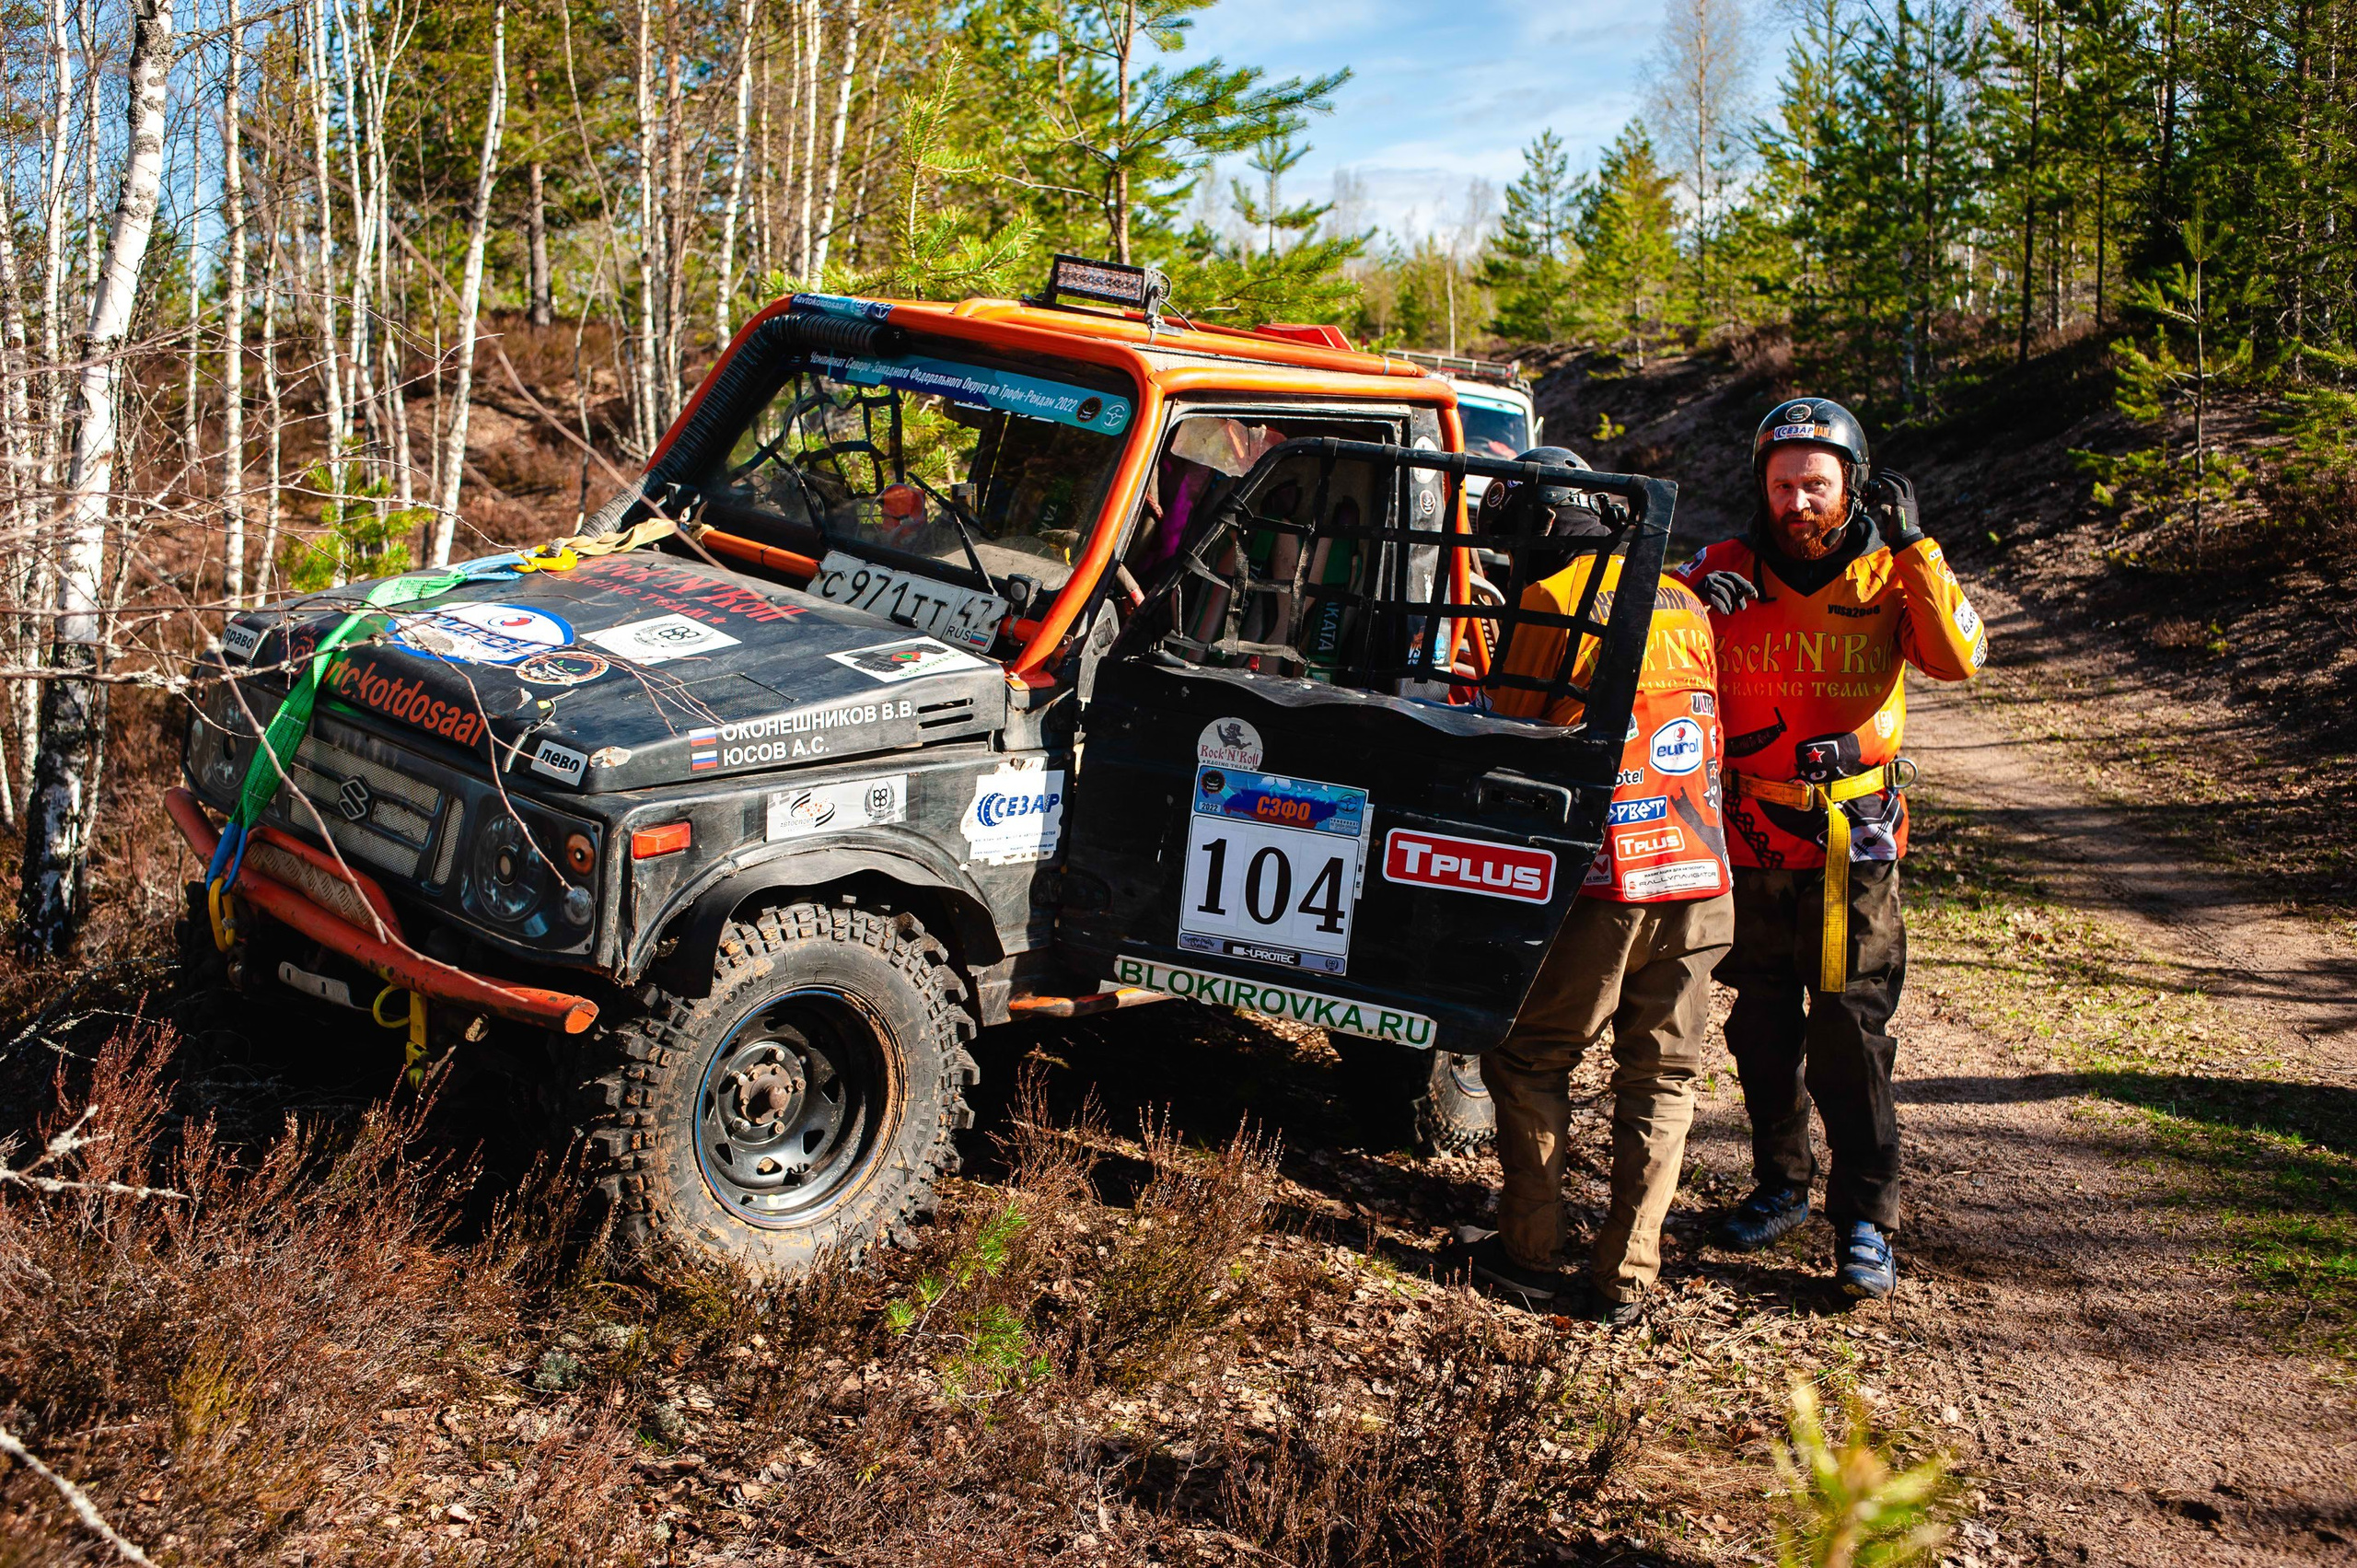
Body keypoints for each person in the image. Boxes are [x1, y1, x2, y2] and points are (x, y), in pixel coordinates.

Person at [1676, 397, 1986, 1299]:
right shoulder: (1719, 568)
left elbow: (1959, 655)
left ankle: (1865, 1217)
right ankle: (1780, 1185)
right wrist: (1691, 607)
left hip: (1854, 843)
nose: (1797, 502)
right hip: (1750, 838)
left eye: (1816, 483)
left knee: (1848, 1031)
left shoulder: (1890, 573)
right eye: (1782, 484)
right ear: (1759, 488)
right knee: (1760, 1027)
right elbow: (1644, 643)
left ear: (1851, 486)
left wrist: (1919, 550)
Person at [1465, 448, 1735, 1326]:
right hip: (1699, 870)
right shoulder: (1681, 595)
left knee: (1530, 1055)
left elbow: (1512, 731)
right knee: (1663, 1074)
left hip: (1608, 876)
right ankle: (1627, 1275)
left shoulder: (1555, 598)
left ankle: (1528, 1253)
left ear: (1538, 526)